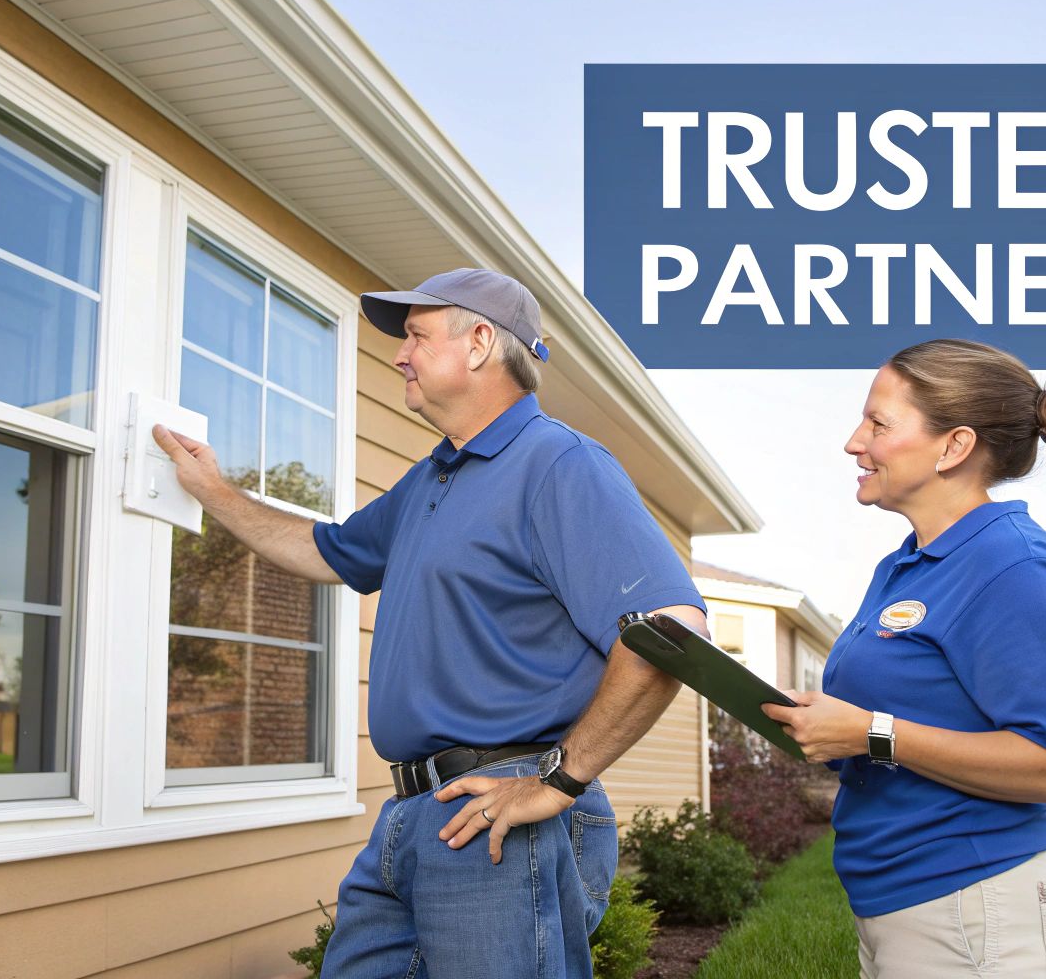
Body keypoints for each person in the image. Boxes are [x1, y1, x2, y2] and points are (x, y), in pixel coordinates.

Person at [153, 268, 707, 978]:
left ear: (479, 343)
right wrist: (213, 492)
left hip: (499, 812)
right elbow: (326, 551)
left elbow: (669, 633)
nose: (398, 354)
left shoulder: (558, 464)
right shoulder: (432, 478)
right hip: (414, 811)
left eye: (416, 335)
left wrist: (557, 782)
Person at [763, 339, 1046, 978]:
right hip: (902, 908)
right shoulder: (905, 567)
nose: (853, 442)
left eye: (879, 423)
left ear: (953, 446)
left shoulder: (1020, 570)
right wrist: (830, 728)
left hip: (986, 910)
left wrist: (873, 733)